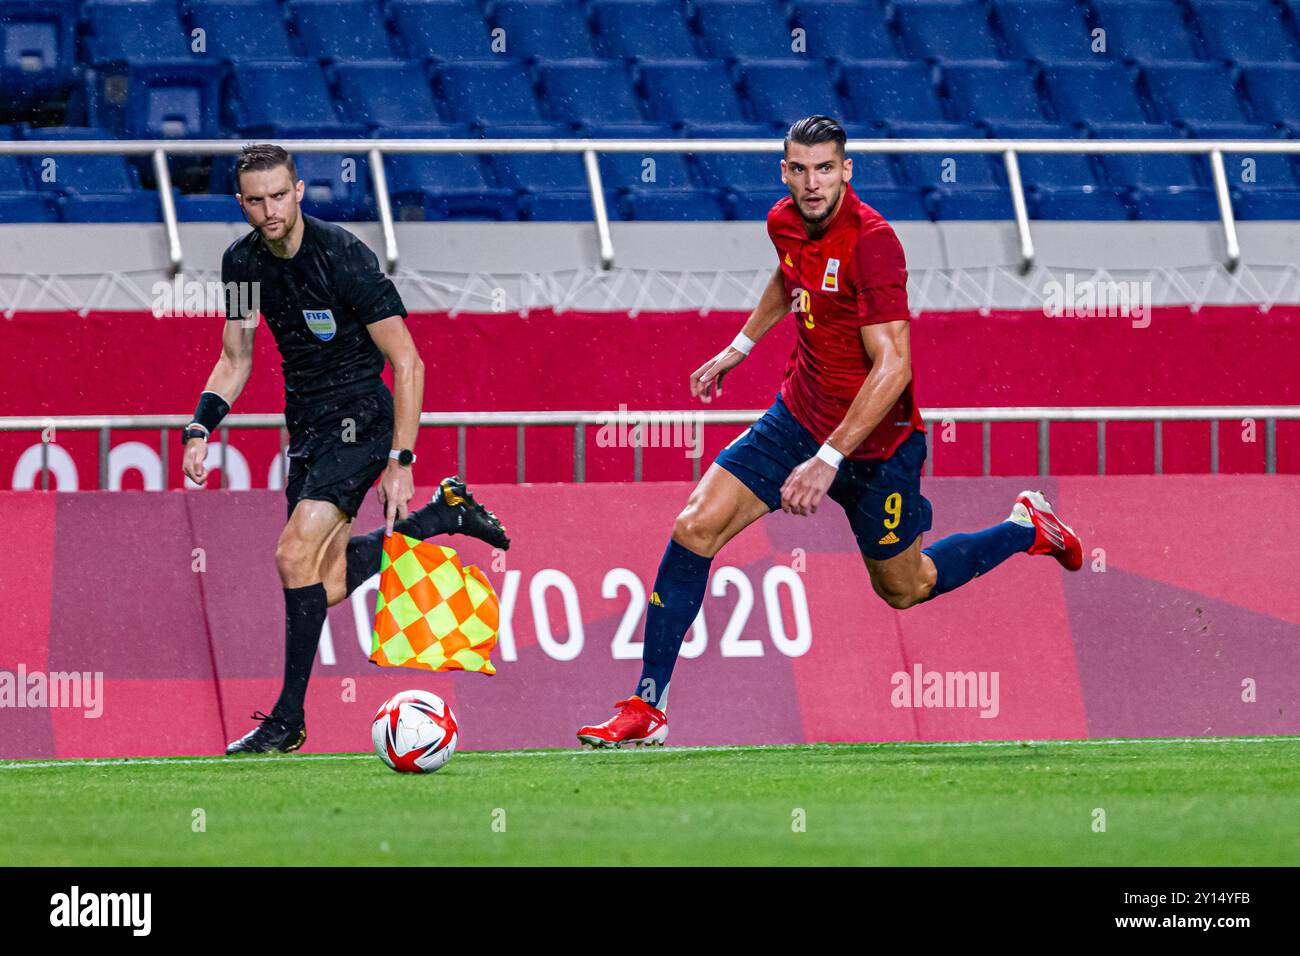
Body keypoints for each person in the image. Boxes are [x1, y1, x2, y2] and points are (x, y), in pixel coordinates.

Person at [577, 116, 1082, 748]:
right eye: (799, 169)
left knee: (907, 586)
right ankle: (647, 707)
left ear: (848, 170)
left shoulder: (874, 242)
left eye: (824, 169)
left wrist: (828, 459)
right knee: (694, 526)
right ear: (783, 171)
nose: (811, 183)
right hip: (796, 417)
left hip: (875, 449)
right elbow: (790, 277)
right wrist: (740, 346)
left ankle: (1024, 527)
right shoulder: (783, 219)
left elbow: (894, 366)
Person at [182, 144, 510, 755]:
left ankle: (287, 721)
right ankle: (444, 516)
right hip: (305, 427)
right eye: (256, 200)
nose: (270, 209)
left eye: (280, 195)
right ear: (242, 203)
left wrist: (401, 460)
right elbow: (236, 358)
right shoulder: (243, 264)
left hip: (361, 420)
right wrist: (200, 428)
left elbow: (407, 361)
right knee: (322, 583)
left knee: (291, 556)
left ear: (300, 190)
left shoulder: (344, 255)